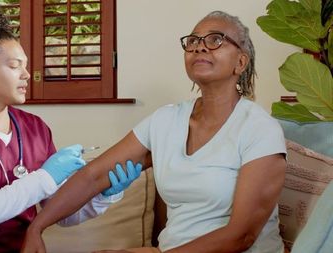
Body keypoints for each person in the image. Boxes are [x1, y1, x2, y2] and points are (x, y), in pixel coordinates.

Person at [21, 10, 287, 253]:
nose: (200, 47)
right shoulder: (165, 120)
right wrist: (37, 227)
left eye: (216, 39)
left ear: (240, 63)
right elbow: (94, 175)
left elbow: (241, 236)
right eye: (193, 41)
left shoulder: (259, 129)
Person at [0, 5, 141, 253]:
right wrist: (44, 177)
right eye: (14, 66)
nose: (27, 75)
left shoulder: (35, 129)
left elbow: (61, 213)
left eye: (26, 66)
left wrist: (102, 195)